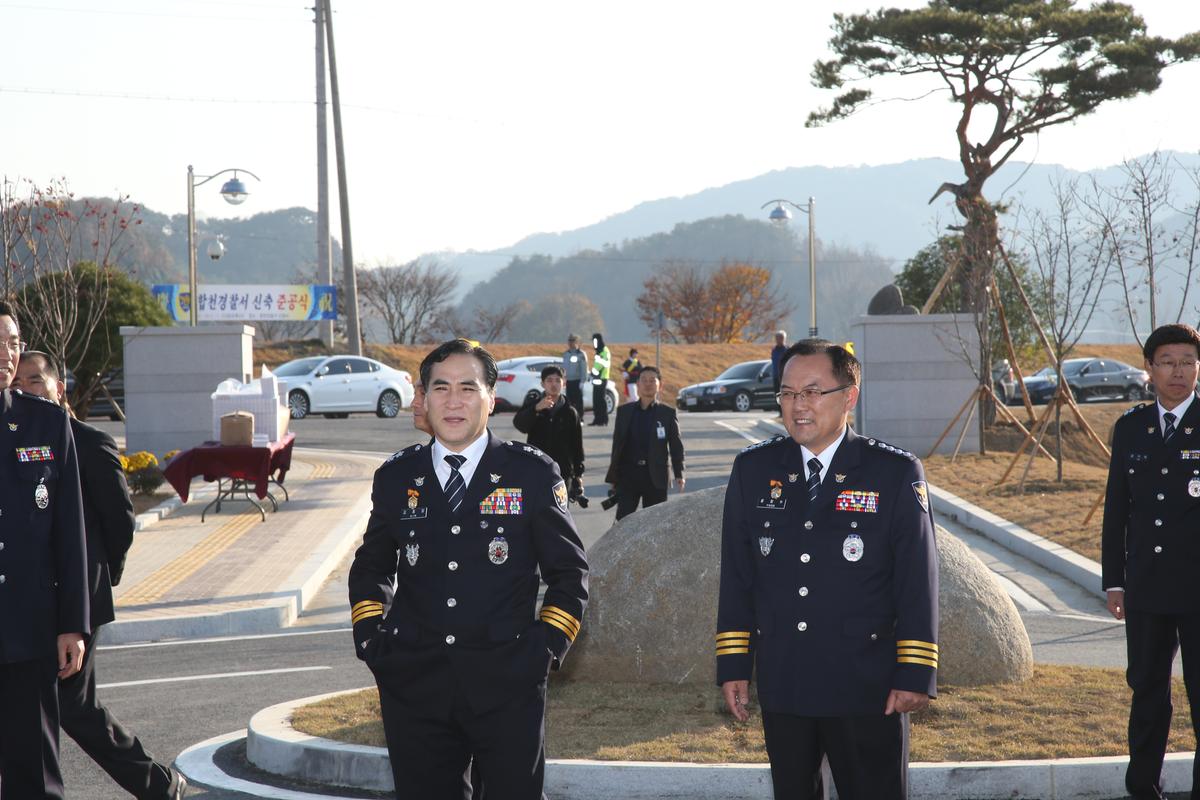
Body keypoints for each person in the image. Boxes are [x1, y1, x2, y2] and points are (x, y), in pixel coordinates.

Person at [348, 338, 589, 799]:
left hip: (508, 681)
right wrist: (371, 642)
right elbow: (371, 566)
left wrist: (543, 650)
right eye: (440, 388)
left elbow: (569, 573)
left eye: (467, 388)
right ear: (424, 398)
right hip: (415, 685)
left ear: (491, 398)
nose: (453, 401)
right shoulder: (398, 476)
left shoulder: (531, 473)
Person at [716, 339, 938, 800]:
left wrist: (915, 671)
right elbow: (738, 576)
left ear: (849, 396)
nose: (798, 406)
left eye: (813, 392)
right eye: (788, 393)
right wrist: (734, 664)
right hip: (785, 680)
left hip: (865, 685)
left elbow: (917, 579)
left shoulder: (892, 472)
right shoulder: (754, 470)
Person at [13, 352, 188, 799]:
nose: (28, 388)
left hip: (77, 600)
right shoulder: (14, 439)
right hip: (28, 601)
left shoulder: (89, 442)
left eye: (36, 380)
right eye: (20, 382)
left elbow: (120, 524)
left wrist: (97, 583)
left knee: (73, 707)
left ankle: (157, 785)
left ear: (58, 387)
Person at [1102, 323, 1200, 800]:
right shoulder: (1130, 428)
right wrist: (1113, 581)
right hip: (1146, 586)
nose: (1178, 371)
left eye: (1187, 361)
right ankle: (1143, 787)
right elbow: (1117, 509)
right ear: (1150, 369)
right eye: (1167, 361)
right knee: (1146, 692)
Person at [0, 301, 89, 799]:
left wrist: (71, 623)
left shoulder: (46, 425)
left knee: (34, 775)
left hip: (30, 629)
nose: (7, 353)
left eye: (13, 342)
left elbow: (68, 531)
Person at [603, 366, 685, 520]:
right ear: (638, 384)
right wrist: (614, 476)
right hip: (629, 475)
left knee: (655, 523)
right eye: (644, 380)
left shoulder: (667, 413)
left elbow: (675, 445)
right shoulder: (624, 412)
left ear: (659, 385)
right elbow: (617, 446)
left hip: (656, 477)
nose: (648, 384)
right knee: (623, 522)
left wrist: (679, 472)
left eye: (652, 380)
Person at [513, 365, 587, 508]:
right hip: (536, 468)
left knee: (559, 513)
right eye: (549, 380)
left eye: (558, 381)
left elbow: (577, 445)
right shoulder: (534, 404)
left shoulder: (570, 412)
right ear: (542, 384)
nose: (554, 384)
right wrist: (535, 409)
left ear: (564, 383)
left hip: (562, 472)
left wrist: (578, 475)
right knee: (535, 511)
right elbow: (520, 425)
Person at [561, 334, 588, 419]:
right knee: (569, 401)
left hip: (577, 381)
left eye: (572, 341)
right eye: (569, 341)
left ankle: (580, 417)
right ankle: (570, 417)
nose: (570, 343)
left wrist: (583, 381)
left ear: (576, 342)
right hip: (569, 381)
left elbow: (584, 368)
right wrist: (563, 379)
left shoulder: (581, 354)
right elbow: (564, 368)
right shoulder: (566, 354)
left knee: (578, 401)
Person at [589, 333, 612, 426]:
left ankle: (603, 419)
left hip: (602, 377)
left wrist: (594, 371)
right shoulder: (599, 351)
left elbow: (602, 364)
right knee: (596, 399)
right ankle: (597, 419)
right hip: (597, 377)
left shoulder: (604, 350)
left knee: (601, 399)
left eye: (594, 341)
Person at [770, 330, 788, 411]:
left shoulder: (787, 350)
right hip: (776, 376)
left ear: (784, 339)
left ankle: (785, 411)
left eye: (781, 338)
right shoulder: (774, 350)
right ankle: (780, 412)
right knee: (777, 395)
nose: (779, 339)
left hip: (785, 376)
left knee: (785, 394)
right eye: (777, 338)